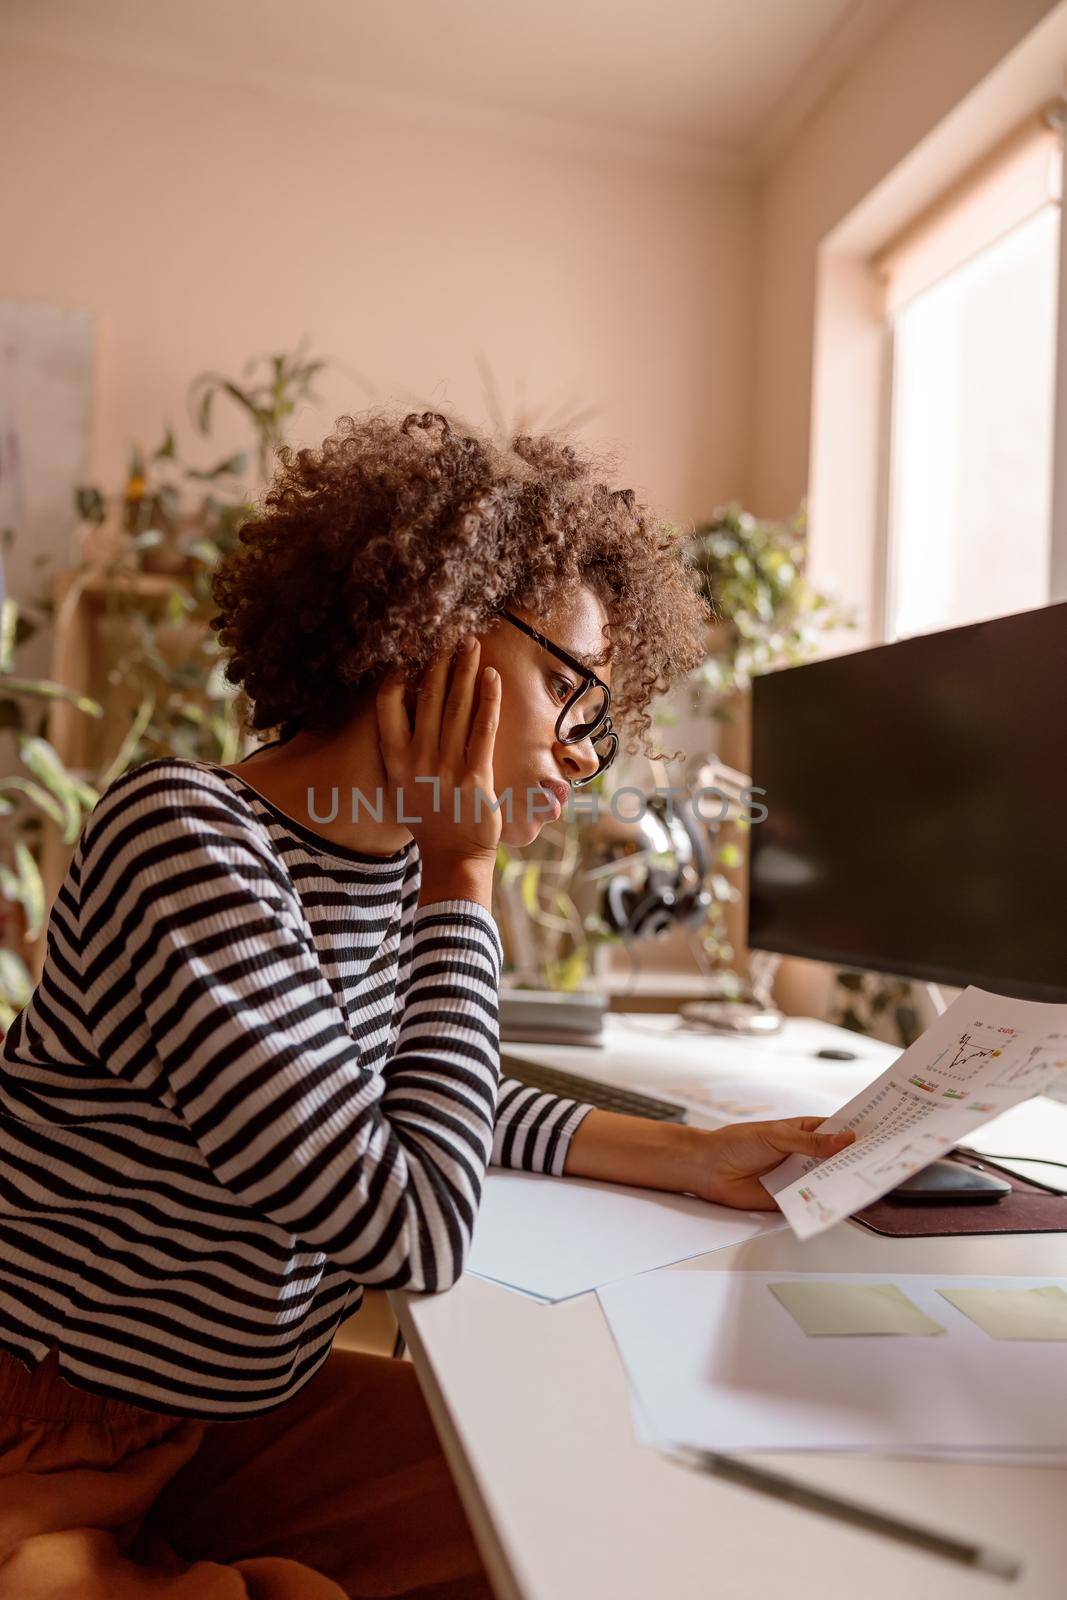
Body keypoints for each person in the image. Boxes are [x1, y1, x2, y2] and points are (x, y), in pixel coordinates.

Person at [0, 409, 853, 1597]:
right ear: (436, 626)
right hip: (52, 1432)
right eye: (563, 684)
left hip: (221, 1416)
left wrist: (685, 1155)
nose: (581, 752)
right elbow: (409, 1226)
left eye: (596, 714)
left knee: (565, 1517)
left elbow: (407, 1101)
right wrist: (463, 879)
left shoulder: (383, 862)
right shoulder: (186, 840)